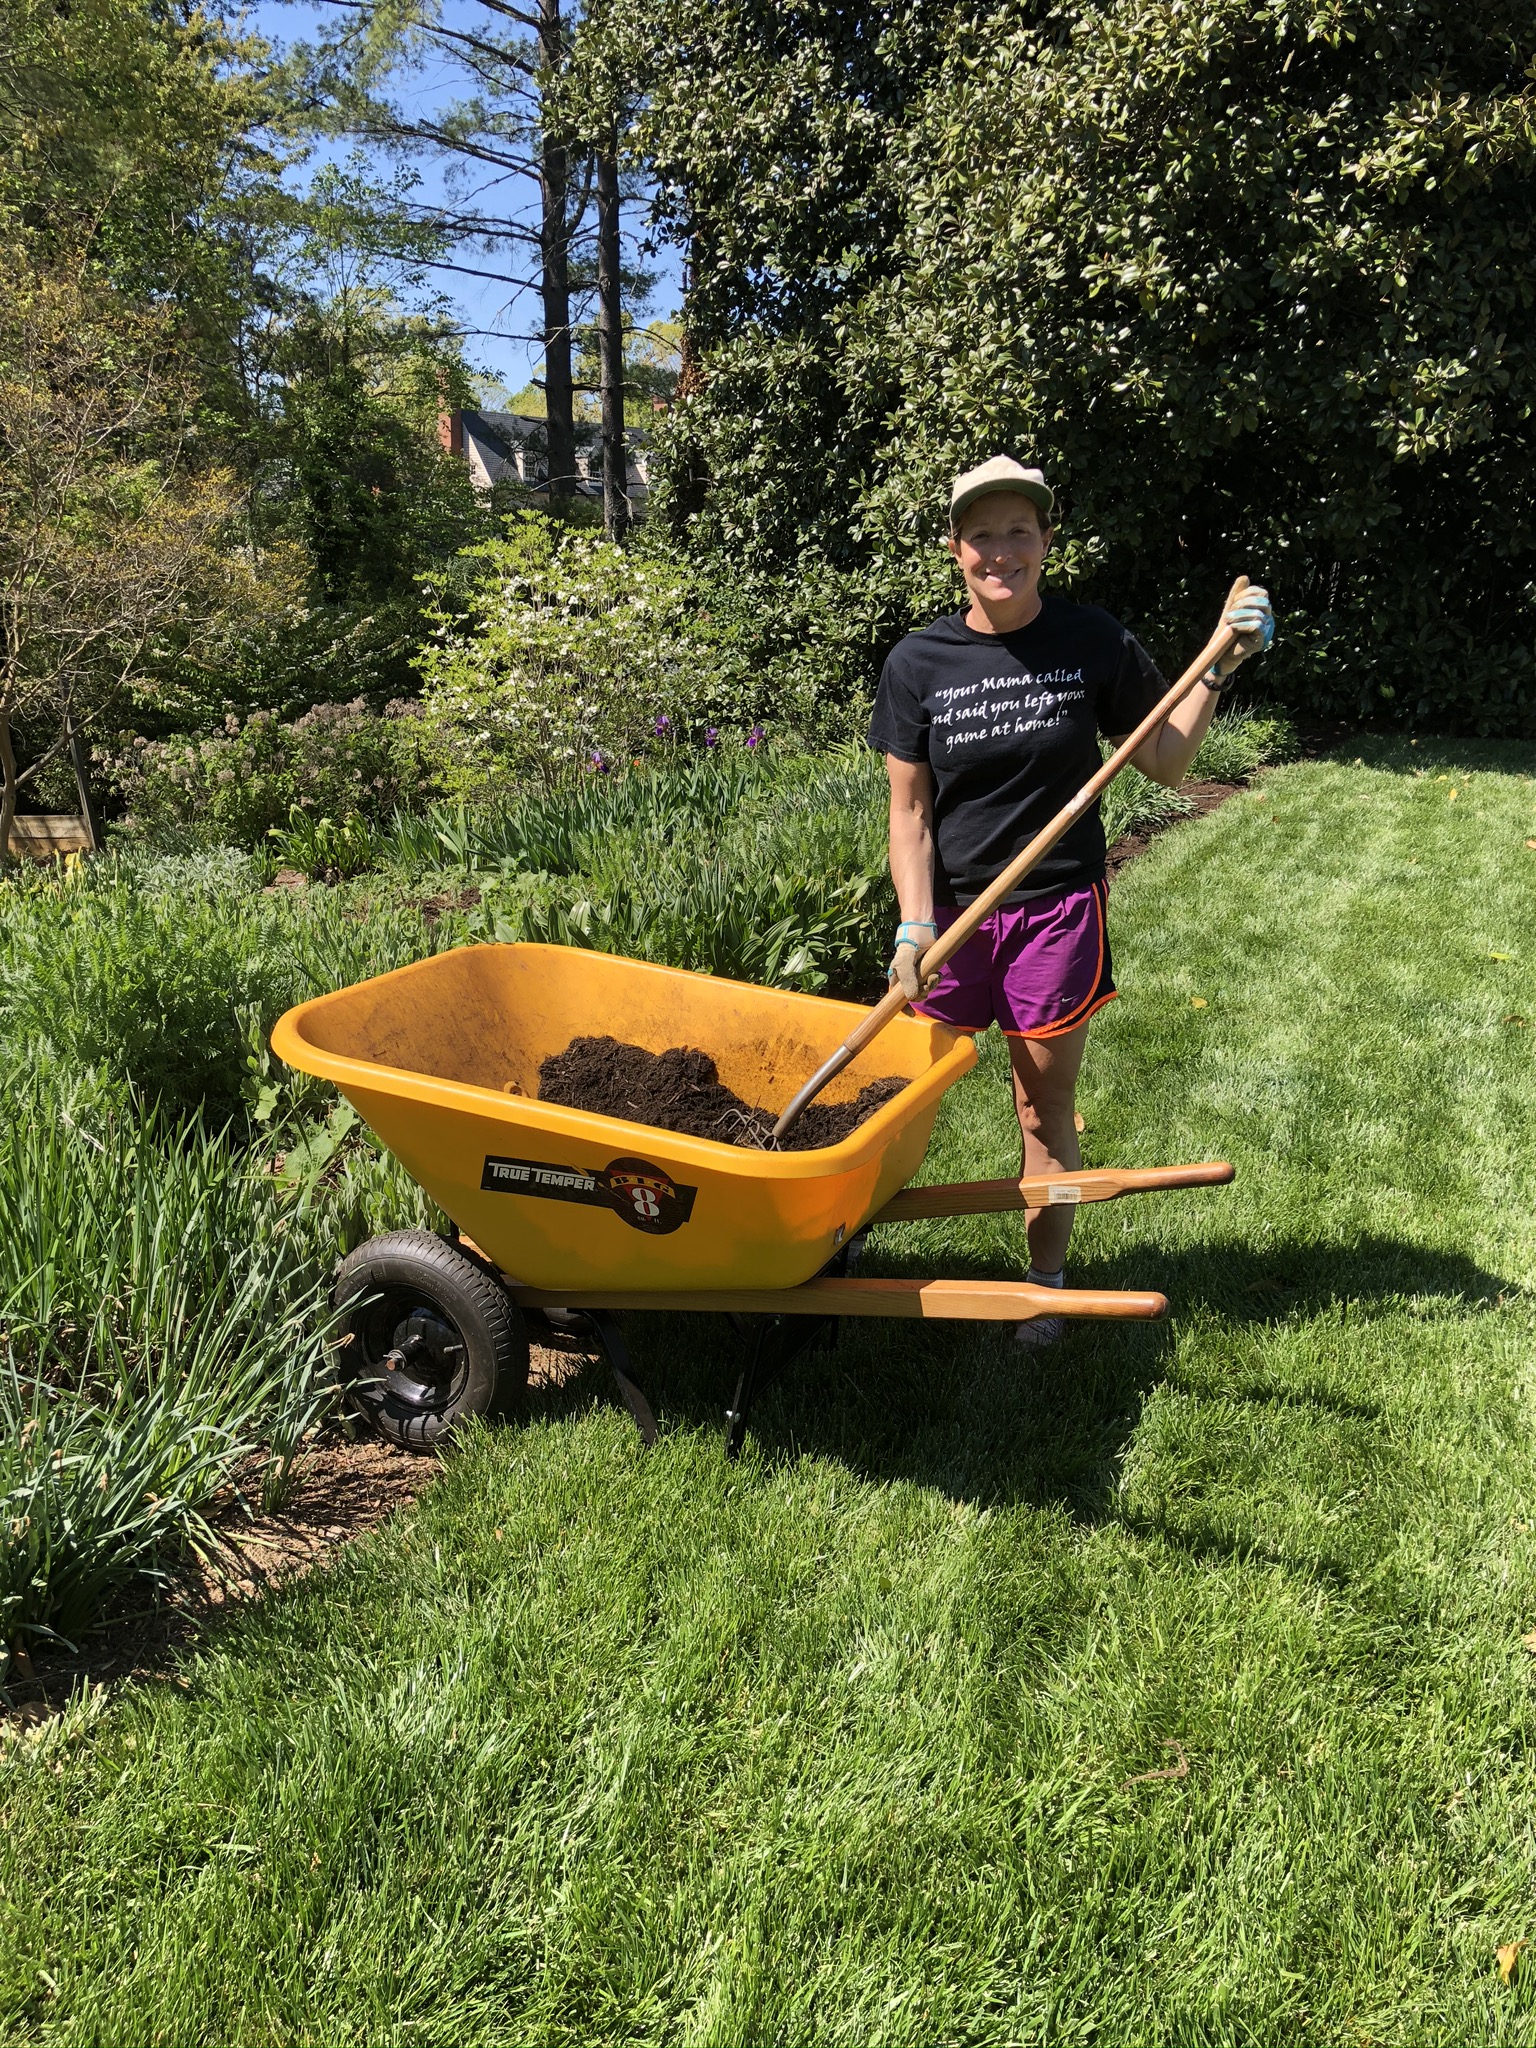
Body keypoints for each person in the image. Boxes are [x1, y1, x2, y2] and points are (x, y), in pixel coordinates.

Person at [868, 455, 1273, 1345]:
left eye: (1020, 531)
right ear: (955, 547)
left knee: (1040, 1109)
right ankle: (844, 1243)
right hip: (950, 923)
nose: (1000, 551)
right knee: (892, 1101)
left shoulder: (1090, 640)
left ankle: (1044, 1288)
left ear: (1047, 541)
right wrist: (913, 921)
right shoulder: (917, 662)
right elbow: (910, 812)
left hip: (1054, 912)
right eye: (982, 534)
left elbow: (1164, 761)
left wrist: (1219, 667)